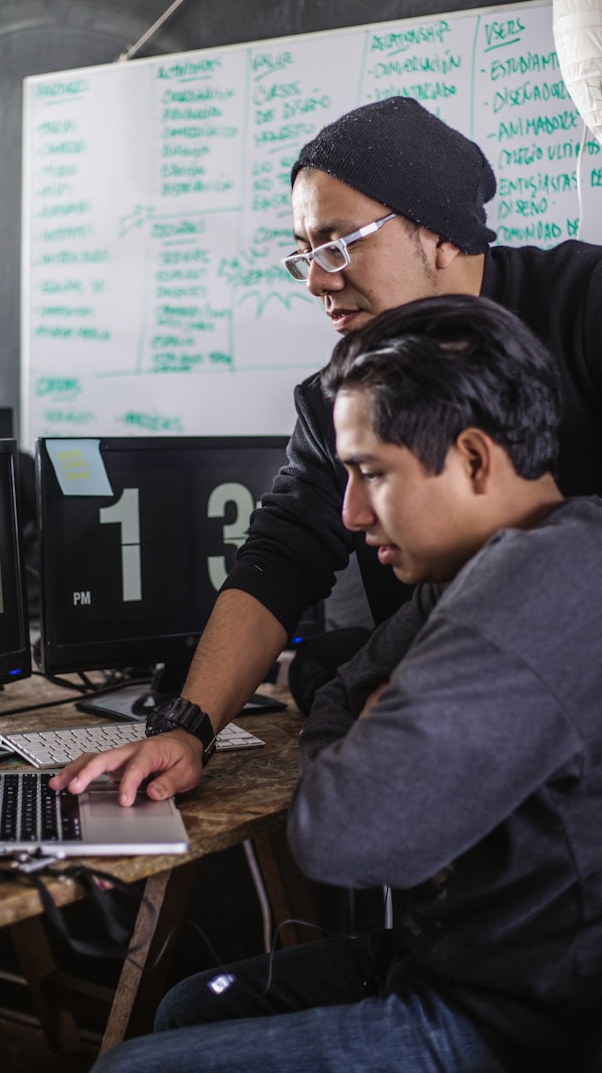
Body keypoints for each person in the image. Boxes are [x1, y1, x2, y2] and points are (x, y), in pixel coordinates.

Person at [81, 295, 602, 1073]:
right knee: (189, 1004)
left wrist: (369, 730)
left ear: (473, 458)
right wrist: (367, 724)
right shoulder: (476, 569)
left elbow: (336, 834)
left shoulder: (536, 592)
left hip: (516, 1019)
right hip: (455, 958)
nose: (352, 513)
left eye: (371, 473)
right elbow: (337, 691)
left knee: (130, 1069)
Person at [52, 96, 602, 809]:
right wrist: (186, 729)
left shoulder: (586, 303)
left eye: (338, 245)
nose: (317, 279)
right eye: (305, 254)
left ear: (438, 234)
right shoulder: (338, 398)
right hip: (436, 737)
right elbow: (283, 553)